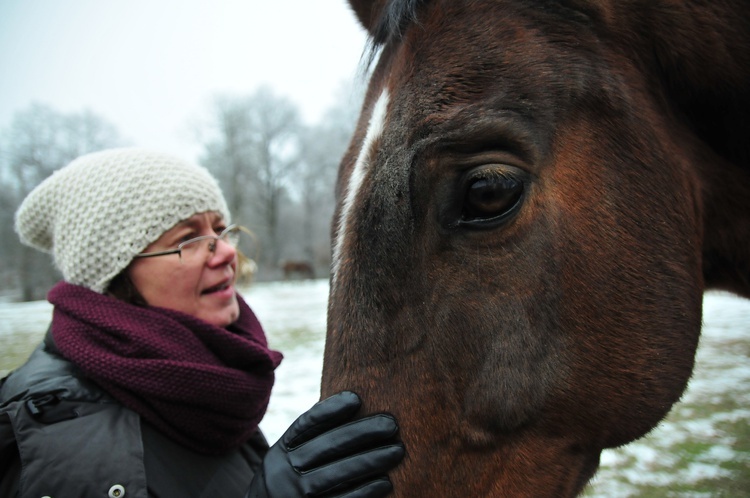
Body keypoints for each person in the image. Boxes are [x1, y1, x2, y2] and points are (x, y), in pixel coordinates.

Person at [0, 148, 404, 497]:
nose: (226, 252)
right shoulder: (65, 432)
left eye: (220, 229)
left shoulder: (199, 383)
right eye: (188, 239)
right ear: (116, 276)